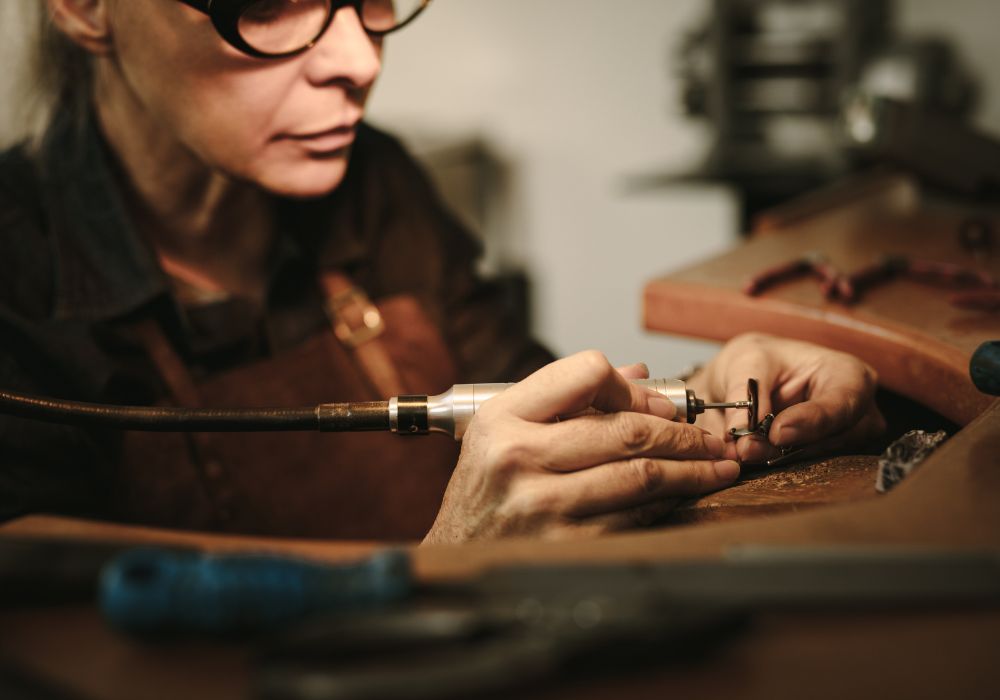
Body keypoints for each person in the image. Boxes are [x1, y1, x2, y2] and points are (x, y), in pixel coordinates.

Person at [0, 0, 885, 543]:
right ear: (83, 6)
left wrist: (703, 393)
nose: (360, 59)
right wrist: (450, 568)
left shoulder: (374, 184)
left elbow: (541, 406)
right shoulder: (18, 277)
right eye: (267, 0)